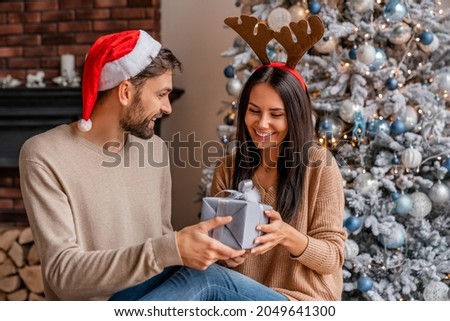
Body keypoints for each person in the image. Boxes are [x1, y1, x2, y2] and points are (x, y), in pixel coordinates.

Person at [19, 29, 290, 301]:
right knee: (209, 281)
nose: (168, 108)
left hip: (159, 296)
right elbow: (63, 276)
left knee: (209, 278)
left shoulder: (154, 149)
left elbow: (162, 246)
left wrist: (204, 250)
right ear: (125, 92)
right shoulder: (45, 154)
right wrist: (172, 247)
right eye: (161, 94)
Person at [209, 61, 347, 300]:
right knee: (191, 274)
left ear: (295, 116)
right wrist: (226, 256)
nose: (262, 124)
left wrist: (287, 236)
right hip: (240, 297)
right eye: (254, 110)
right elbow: (215, 250)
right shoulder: (228, 168)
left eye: (276, 114)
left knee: (204, 282)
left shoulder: (319, 165)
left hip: (300, 300)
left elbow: (333, 257)